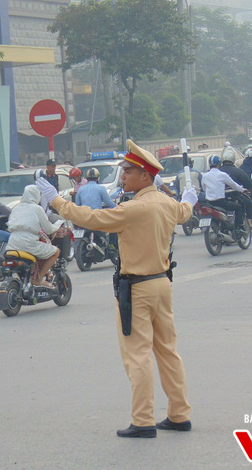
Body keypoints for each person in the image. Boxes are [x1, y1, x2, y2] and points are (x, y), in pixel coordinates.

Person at [36, 139, 196, 438]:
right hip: (162, 283)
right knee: (168, 352)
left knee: (137, 355)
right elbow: (185, 211)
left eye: (128, 172)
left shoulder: (134, 208)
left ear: (145, 176)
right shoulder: (167, 203)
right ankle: (179, 414)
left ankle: (143, 420)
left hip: (137, 288)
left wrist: (56, 201)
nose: (123, 177)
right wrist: (189, 198)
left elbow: (91, 218)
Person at [6, 185, 62, 288]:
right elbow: (49, 229)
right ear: (37, 196)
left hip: (12, 243)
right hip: (29, 243)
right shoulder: (37, 209)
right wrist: (57, 225)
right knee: (55, 252)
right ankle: (38, 279)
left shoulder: (16, 208)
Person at [201, 155, 246, 234]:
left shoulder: (205, 176)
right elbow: (233, 185)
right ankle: (239, 228)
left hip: (209, 203)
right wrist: (242, 190)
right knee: (239, 207)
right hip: (221, 202)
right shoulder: (222, 175)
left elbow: (204, 188)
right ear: (219, 164)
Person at [220, 149, 252, 224]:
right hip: (235, 195)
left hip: (221, 197)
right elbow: (247, 182)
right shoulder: (237, 171)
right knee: (248, 203)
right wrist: (250, 188)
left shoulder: (218, 171)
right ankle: (250, 222)